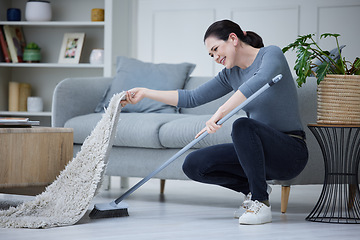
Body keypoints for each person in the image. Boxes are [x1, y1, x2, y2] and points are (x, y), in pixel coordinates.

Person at [121, 19, 308, 225]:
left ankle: (260, 203)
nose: (215, 57)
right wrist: (146, 93)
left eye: (216, 49)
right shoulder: (230, 74)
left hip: (290, 152)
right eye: (211, 54)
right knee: (194, 164)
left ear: (233, 39)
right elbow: (191, 98)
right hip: (258, 153)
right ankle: (253, 190)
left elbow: (260, 80)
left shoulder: (271, 54)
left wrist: (221, 111)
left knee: (242, 125)